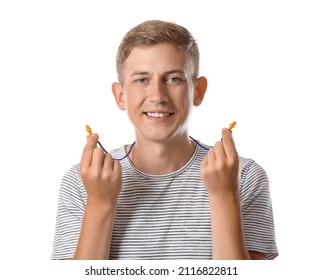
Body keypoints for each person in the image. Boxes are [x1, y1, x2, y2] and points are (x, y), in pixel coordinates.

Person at [51, 20, 278, 260]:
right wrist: (99, 203)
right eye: (141, 80)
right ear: (120, 96)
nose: (157, 96)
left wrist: (224, 196)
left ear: (198, 91)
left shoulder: (244, 177)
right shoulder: (81, 182)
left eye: (173, 79)